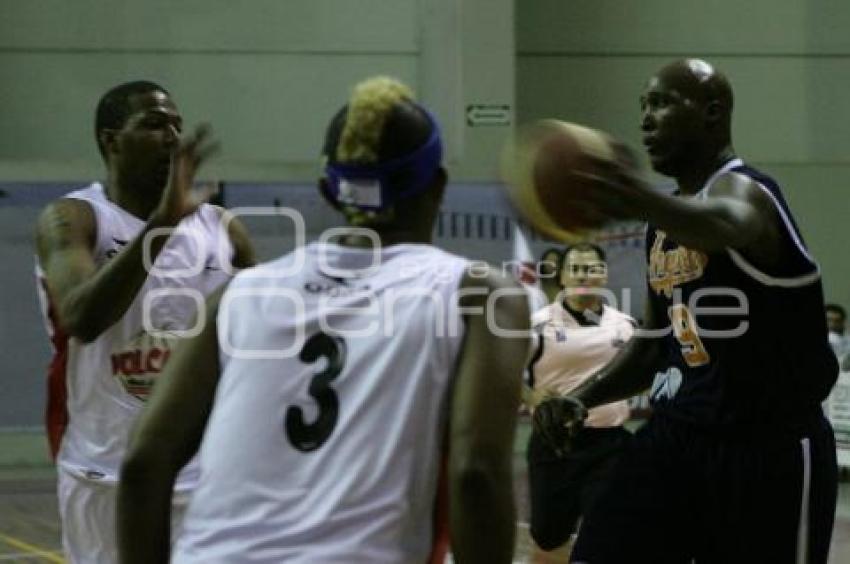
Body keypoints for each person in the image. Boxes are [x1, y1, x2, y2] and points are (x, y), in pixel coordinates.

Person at [117, 76, 530, 564]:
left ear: (327, 191)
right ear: (437, 186)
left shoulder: (239, 293)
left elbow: (144, 463)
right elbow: (476, 472)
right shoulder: (479, 294)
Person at [534, 59, 839, 563]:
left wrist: (631, 195)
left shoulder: (750, 193)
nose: (646, 120)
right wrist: (581, 398)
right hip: (677, 434)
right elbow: (655, 342)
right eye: (642, 107)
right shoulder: (664, 223)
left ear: (712, 114)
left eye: (662, 103)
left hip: (767, 448)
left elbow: (726, 223)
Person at [34, 80, 255, 564]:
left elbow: (263, 344)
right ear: (111, 141)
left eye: (177, 125)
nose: (173, 137)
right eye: (154, 125)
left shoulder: (223, 230)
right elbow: (82, 317)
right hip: (103, 473)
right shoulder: (73, 218)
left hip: (208, 475)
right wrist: (162, 224)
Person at [524, 243, 635, 563]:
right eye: (575, 268)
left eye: (592, 268)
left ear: (604, 275)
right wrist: (530, 396)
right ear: (562, 277)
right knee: (547, 534)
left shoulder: (626, 325)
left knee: (605, 525)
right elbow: (501, 370)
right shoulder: (538, 323)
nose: (583, 275)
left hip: (609, 442)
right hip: (555, 444)